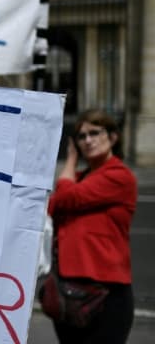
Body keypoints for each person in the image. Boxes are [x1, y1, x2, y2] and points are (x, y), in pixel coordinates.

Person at [47, 109, 137, 344]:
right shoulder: (76, 178)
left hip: (105, 293)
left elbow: (66, 198)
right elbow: (52, 207)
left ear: (113, 137)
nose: (88, 140)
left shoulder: (119, 175)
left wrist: (70, 160)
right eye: (81, 136)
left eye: (95, 133)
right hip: (68, 291)